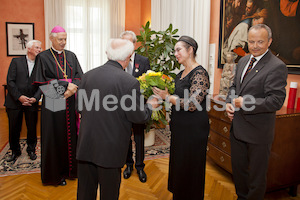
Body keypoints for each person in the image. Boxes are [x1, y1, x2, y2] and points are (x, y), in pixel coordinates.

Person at [76, 38, 158, 200]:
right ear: (129, 56)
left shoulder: (87, 76)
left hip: (86, 145)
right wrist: (150, 105)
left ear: (108, 54)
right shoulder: (129, 82)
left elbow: (79, 108)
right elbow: (138, 117)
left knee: (84, 194)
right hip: (110, 150)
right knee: (109, 195)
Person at [225, 24, 287, 200]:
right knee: (239, 173)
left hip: (258, 133)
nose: (255, 46)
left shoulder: (277, 66)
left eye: (260, 41)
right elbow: (234, 87)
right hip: (237, 129)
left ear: (269, 41)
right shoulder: (243, 60)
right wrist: (230, 103)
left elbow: (275, 100)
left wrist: (245, 102)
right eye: (251, 41)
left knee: (256, 179)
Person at [152, 36, 210, 200]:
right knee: (180, 164)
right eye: (175, 50)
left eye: (178, 50)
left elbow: (193, 103)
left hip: (194, 129)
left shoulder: (200, 73)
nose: (175, 53)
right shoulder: (180, 74)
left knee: (190, 166)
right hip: (181, 128)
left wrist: (167, 96)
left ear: (190, 50)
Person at [31, 26, 83, 186]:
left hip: (70, 101)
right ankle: (55, 175)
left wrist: (72, 87)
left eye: (65, 39)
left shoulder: (71, 56)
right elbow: (40, 81)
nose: (63, 42)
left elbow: (79, 76)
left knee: (71, 135)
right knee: (55, 136)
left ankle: (71, 171)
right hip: (53, 101)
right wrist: (65, 88)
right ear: (51, 38)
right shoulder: (43, 57)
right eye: (60, 39)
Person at [120, 30, 150, 183]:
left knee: (139, 138)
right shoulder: (118, 59)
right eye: (123, 42)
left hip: (138, 106)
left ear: (134, 44)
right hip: (121, 108)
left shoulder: (143, 61)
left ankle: (140, 166)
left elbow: (147, 83)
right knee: (125, 138)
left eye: (129, 42)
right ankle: (128, 165)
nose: (126, 45)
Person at [4, 40, 42, 162]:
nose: (39, 50)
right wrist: (19, 97)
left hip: (32, 102)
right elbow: (10, 81)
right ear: (29, 48)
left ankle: (31, 150)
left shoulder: (41, 64)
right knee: (14, 128)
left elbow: (42, 84)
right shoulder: (16, 61)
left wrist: (35, 98)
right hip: (14, 102)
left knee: (32, 128)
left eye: (40, 48)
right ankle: (15, 151)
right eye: (37, 47)